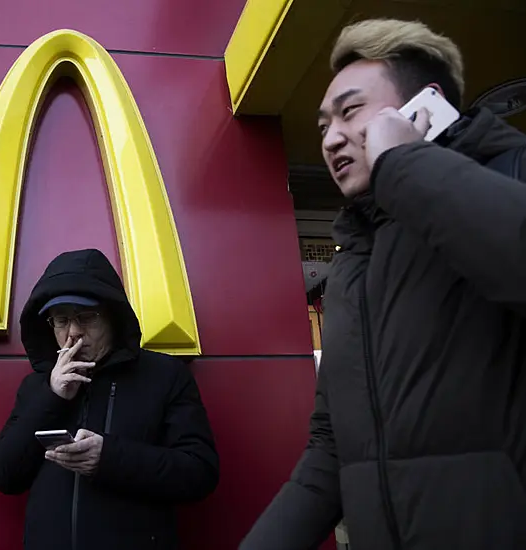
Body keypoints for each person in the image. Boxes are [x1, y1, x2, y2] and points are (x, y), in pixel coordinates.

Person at [240, 18, 526, 550]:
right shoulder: (354, 262)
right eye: (323, 123)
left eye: (350, 112)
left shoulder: (512, 172)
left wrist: (403, 163)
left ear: (427, 106)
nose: (330, 138)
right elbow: (332, 448)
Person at [0, 248, 219, 550]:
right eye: (61, 320)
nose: (73, 334)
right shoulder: (36, 387)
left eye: (86, 318)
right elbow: (4, 476)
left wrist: (109, 458)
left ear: (112, 318)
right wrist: (52, 397)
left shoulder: (164, 375)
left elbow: (199, 472)